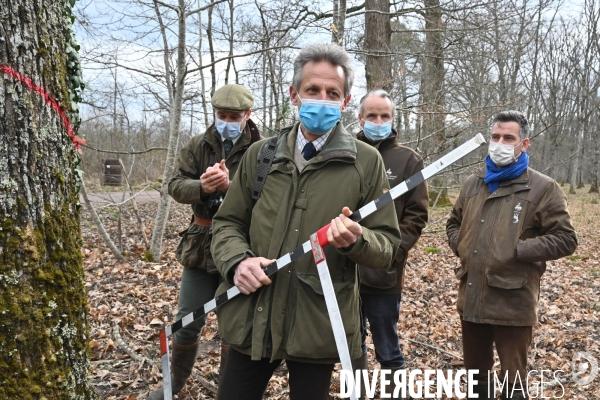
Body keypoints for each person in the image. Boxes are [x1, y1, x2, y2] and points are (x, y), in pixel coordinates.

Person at [210, 43, 402, 400]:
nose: (322, 99)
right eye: (313, 90)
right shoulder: (261, 154)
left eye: (333, 93)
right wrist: (238, 262)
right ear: (294, 93)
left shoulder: (366, 162)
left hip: (320, 321)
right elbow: (227, 224)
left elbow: (387, 247)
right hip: (255, 313)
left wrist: (358, 239)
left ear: (346, 102)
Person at [446, 110, 578, 400]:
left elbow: (566, 239)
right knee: (476, 380)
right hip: (472, 295)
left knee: (513, 384)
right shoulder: (473, 183)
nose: (500, 142)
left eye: (509, 138)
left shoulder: (543, 188)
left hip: (513, 303)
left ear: (524, 143)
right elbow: (453, 222)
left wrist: (517, 249)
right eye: (495, 136)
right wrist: (462, 244)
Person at [147, 84, 261, 399]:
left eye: (233, 115)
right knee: (187, 321)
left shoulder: (262, 150)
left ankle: (230, 389)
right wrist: (202, 186)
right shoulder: (199, 145)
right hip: (200, 246)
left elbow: (268, 198)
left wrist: (231, 185)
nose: (226, 120)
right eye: (221, 115)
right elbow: (174, 185)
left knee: (234, 327)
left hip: (242, 247)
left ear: (247, 115)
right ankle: (174, 383)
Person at [353, 89, 429, 399]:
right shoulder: (345, 152)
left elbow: (417, 214)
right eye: (372, 116)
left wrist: (393, 252)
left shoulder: (408, 160)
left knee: (387, 347)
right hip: (342, 270)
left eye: (385, 116)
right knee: (350, 345)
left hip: (384, 274)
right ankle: (355, 392)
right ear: (360, 118)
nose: (378, 121)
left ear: (393, 119)